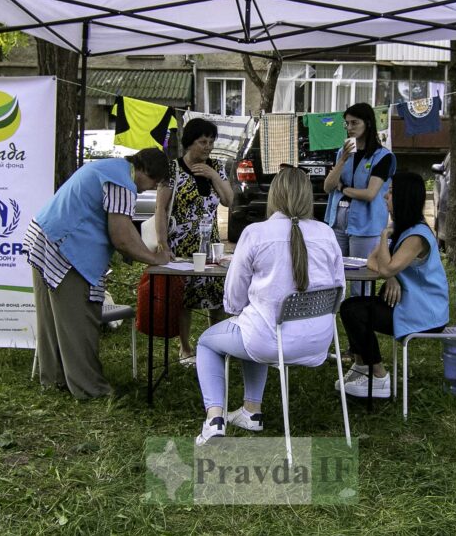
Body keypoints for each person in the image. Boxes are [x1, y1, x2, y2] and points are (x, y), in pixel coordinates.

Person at [194, 166, 344, 445]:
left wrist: (243, 309)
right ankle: (251, 411)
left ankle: (215, 418)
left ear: (274, 195)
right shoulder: (326, 233)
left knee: (207, 342)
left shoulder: (256, 233)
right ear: (308, 197)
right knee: (254, 325)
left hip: (268, 339)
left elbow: (234, 298)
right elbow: (340, 291)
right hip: (318, 343)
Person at [24, 148, 171, 400]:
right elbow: (122, 237)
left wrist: (137, 250)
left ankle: (54, 379)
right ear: (145, 171)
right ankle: (91, 390)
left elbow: (121, 229)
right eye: (153, 183)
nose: (147, 190)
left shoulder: (112, 168)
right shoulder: (122, 182)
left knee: (52, 319)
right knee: (78, 321)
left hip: (44, 236)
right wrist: (154, 258)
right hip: (65, 247)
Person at [336, 171, 448, 399]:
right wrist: (391, 277)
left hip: (425, 313)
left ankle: (377, 376)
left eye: (390, 193)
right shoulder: (404, 230)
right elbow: (372, 261)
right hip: (409, 305)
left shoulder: (416, 236)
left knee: (354, 311)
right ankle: (362, 367)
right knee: (352, 307)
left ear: (404, 197)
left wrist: (384, 234)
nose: (385, 197)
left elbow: (385, 266)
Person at [155, 117, 233, 366]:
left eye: (211, 141)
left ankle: (218, 347)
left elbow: (228, 200)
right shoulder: (173, 169)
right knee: (184, 299)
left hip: (209, 245)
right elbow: (160, 208)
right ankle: (185, 349)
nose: (208, 146)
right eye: (202, 142)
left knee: (215, 296)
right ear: (190, 143)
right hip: (180, 244)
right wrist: (162, 244)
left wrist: (213, 176)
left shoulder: (217, 166)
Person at [323, 102, 396, 295]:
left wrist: (344, 188)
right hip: (338, 221)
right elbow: (328, 186)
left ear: (368, 123)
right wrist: (342, 160)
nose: (350, 128)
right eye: (346, 124)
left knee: (361, 280)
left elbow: (370, 194)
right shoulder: (342, 153)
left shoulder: (383, 157)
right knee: (333, 276)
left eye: (354, 123)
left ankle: (359, 318)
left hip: (366, 225)